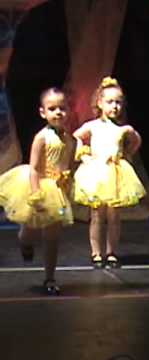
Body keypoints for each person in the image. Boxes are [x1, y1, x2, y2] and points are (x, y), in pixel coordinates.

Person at [0, 87, 75, 295]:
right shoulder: (42, 137)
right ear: (43, 112)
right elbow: (33, 167)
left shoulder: (69, 139)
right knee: (30, 230)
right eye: (52, 108)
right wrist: (35, 193)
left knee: (53, 236)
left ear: (68, 110)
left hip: (57, 190)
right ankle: (24, 243)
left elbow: (68, 164)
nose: (58, 112)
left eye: (62, 108)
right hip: (39, 186)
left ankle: (50, 278)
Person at [73, 76, 145, 269]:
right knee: (97, 214)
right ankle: (96, 253)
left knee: (114, 215)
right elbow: (77, 137)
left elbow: (137, 140)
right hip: (97, 173)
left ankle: (111, 252)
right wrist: (84, 155)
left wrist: (127, 153)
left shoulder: (122, 128)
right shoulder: (92, 125)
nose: (115, 106)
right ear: (100, 103)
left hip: (116, 174)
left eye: (119, 102)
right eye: (110, 102)